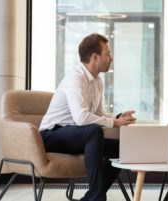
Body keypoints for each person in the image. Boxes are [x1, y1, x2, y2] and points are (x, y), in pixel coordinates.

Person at [39, 33, 136, 201]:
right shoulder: (75, 78)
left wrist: (119, 117)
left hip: (77, 135)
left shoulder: (98, 81)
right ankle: (97, 197)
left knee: (122, 150)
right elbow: (82, 118)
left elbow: (98, 115)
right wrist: (114, 122)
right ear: (95, 56)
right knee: (94, 131)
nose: (111, 58)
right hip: (51, 135)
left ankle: (91, 197)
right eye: (108, 54)